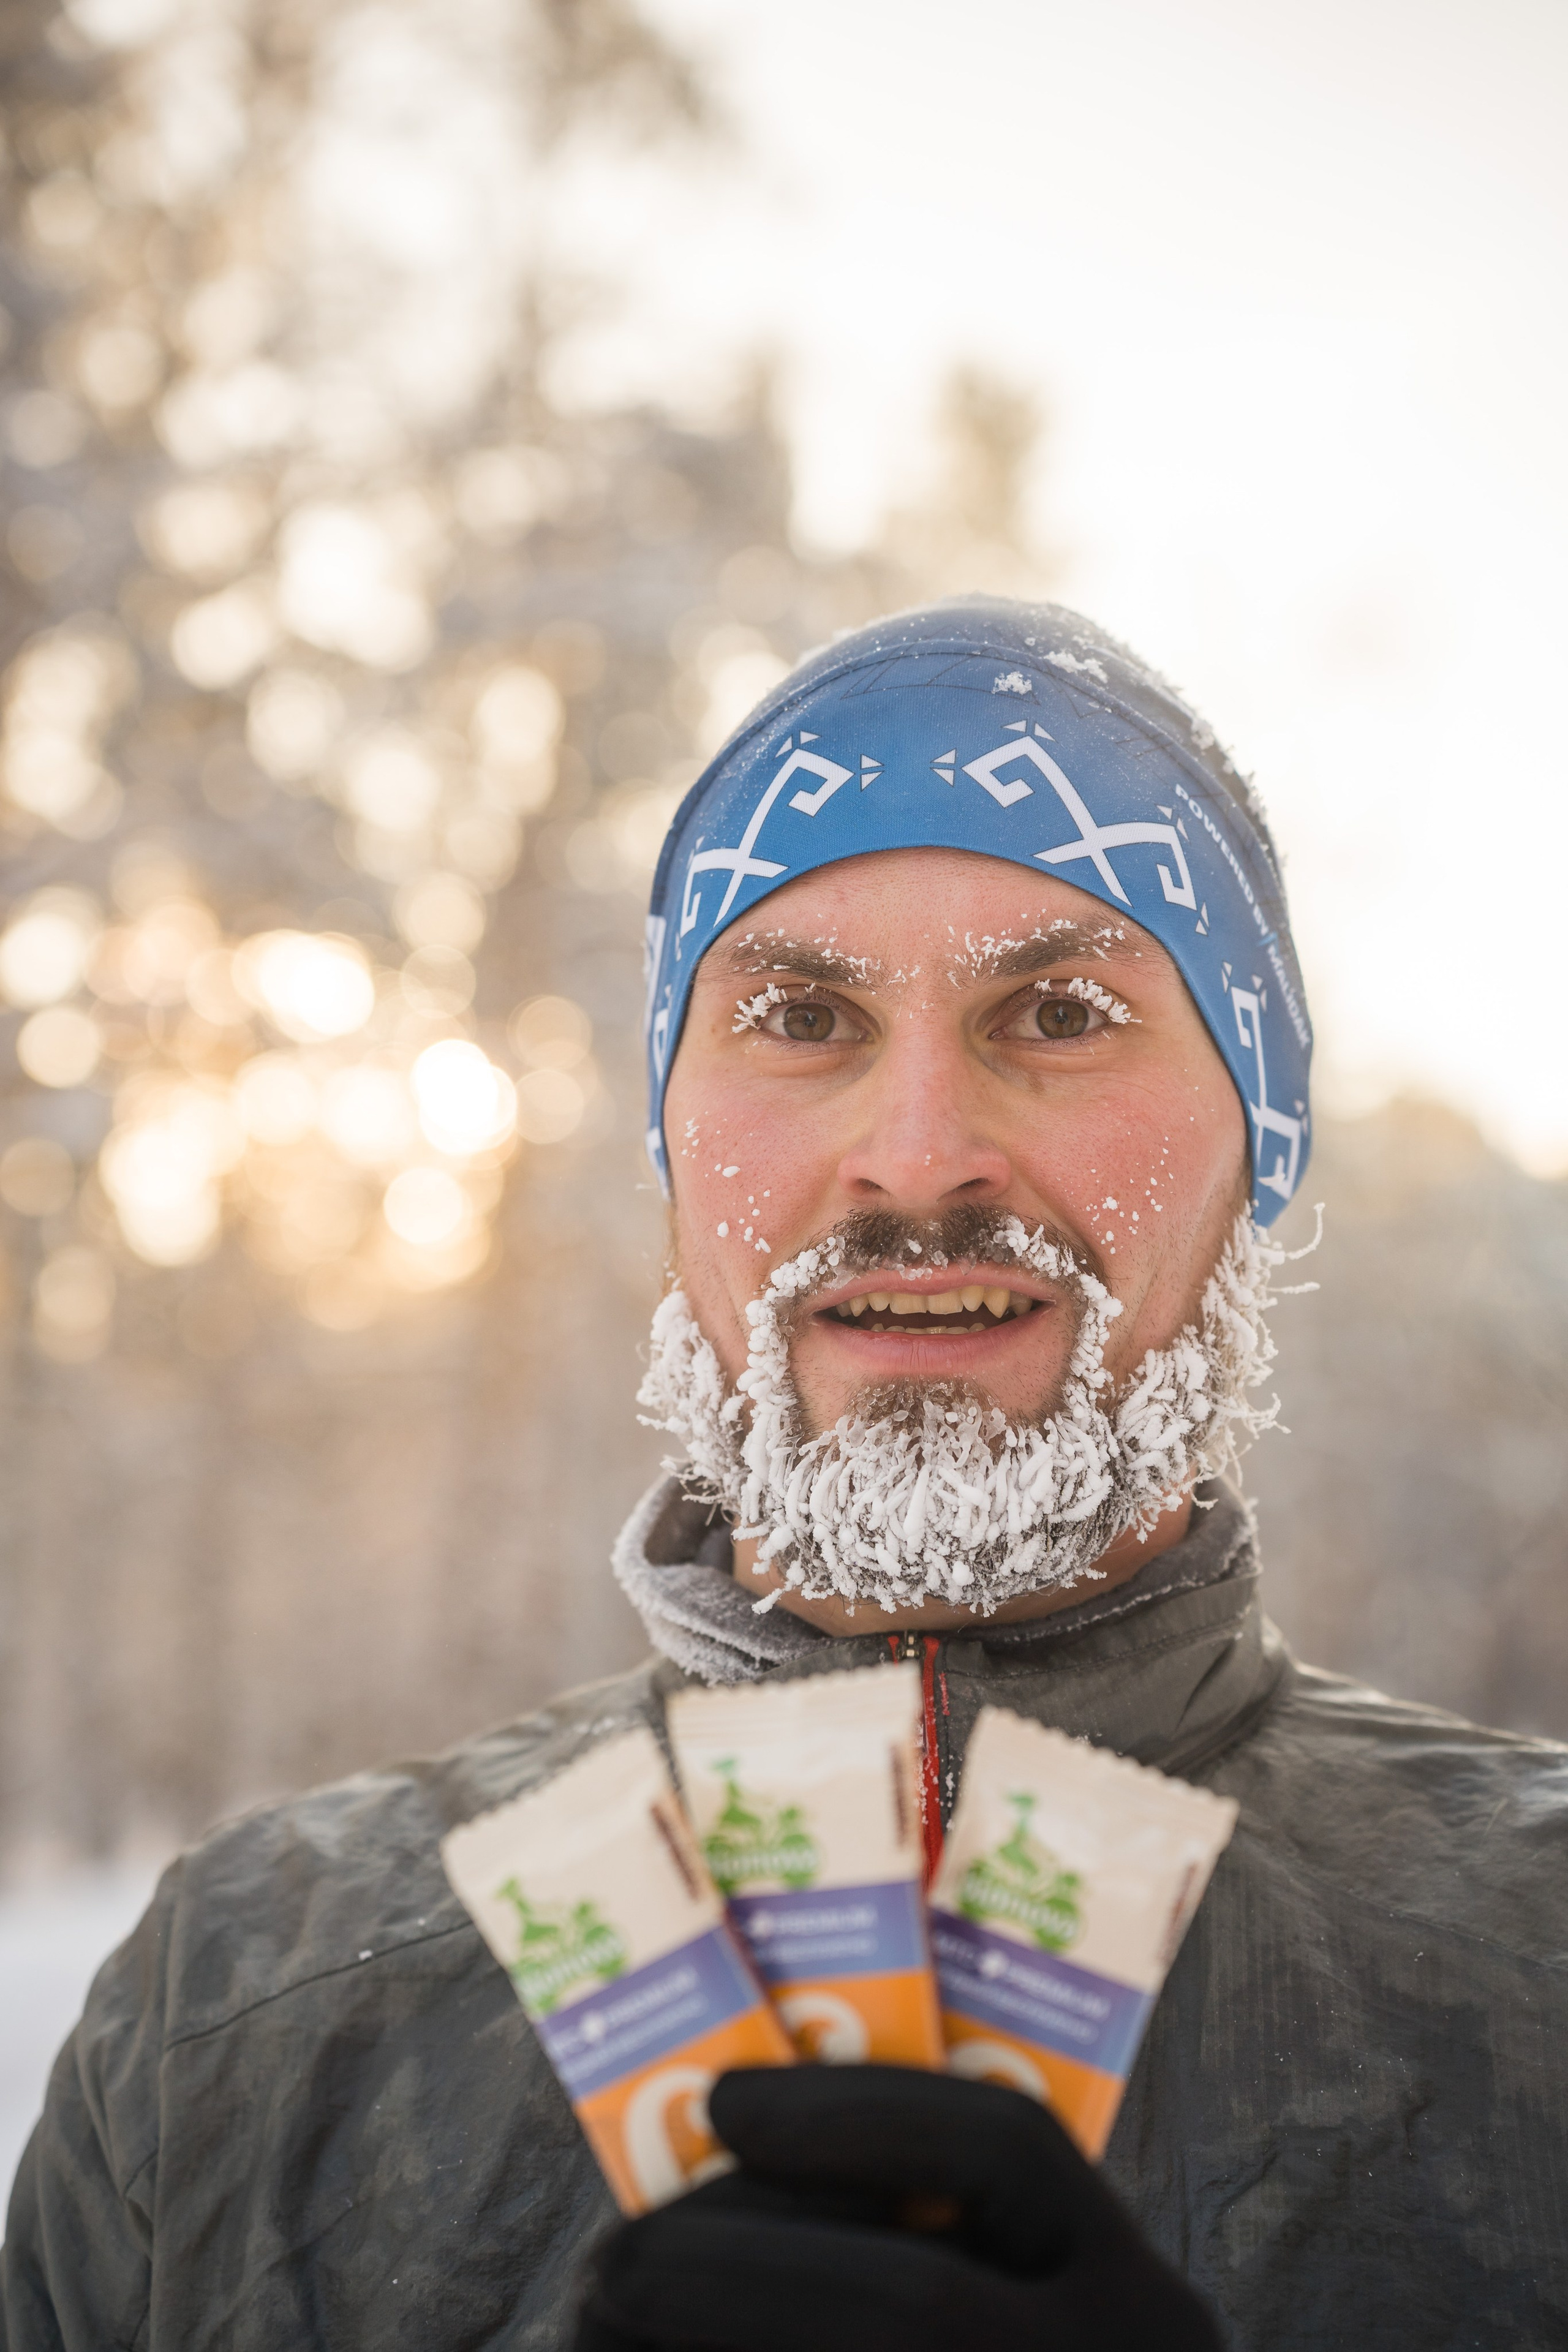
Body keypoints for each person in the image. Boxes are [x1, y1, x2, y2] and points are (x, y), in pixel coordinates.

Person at [3, 598, 1565, 2350]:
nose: (918, 1157)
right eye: (803, 1016)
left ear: (1258, 1138)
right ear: (672, 1145)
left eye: (1060, 1012)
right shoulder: (233, 2012)